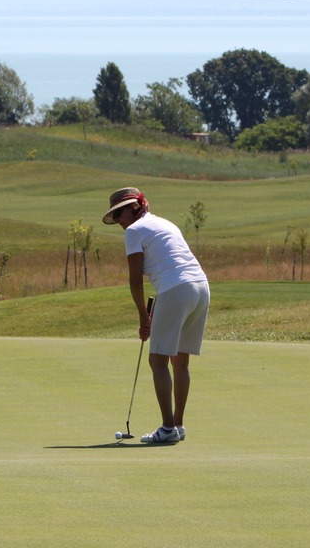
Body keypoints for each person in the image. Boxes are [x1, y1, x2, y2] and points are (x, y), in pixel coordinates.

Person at [103, 187, 210, 443]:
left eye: (121, 212)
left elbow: (135, 280)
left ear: (135, 208)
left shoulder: (133, 231)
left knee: (158, 361)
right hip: (201, 287)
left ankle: (167, 428)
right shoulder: (165, 223)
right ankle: (178, 426)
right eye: (114, 215)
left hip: (176, 289)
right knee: (180, 361)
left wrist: (143, 317)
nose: (118, 220)